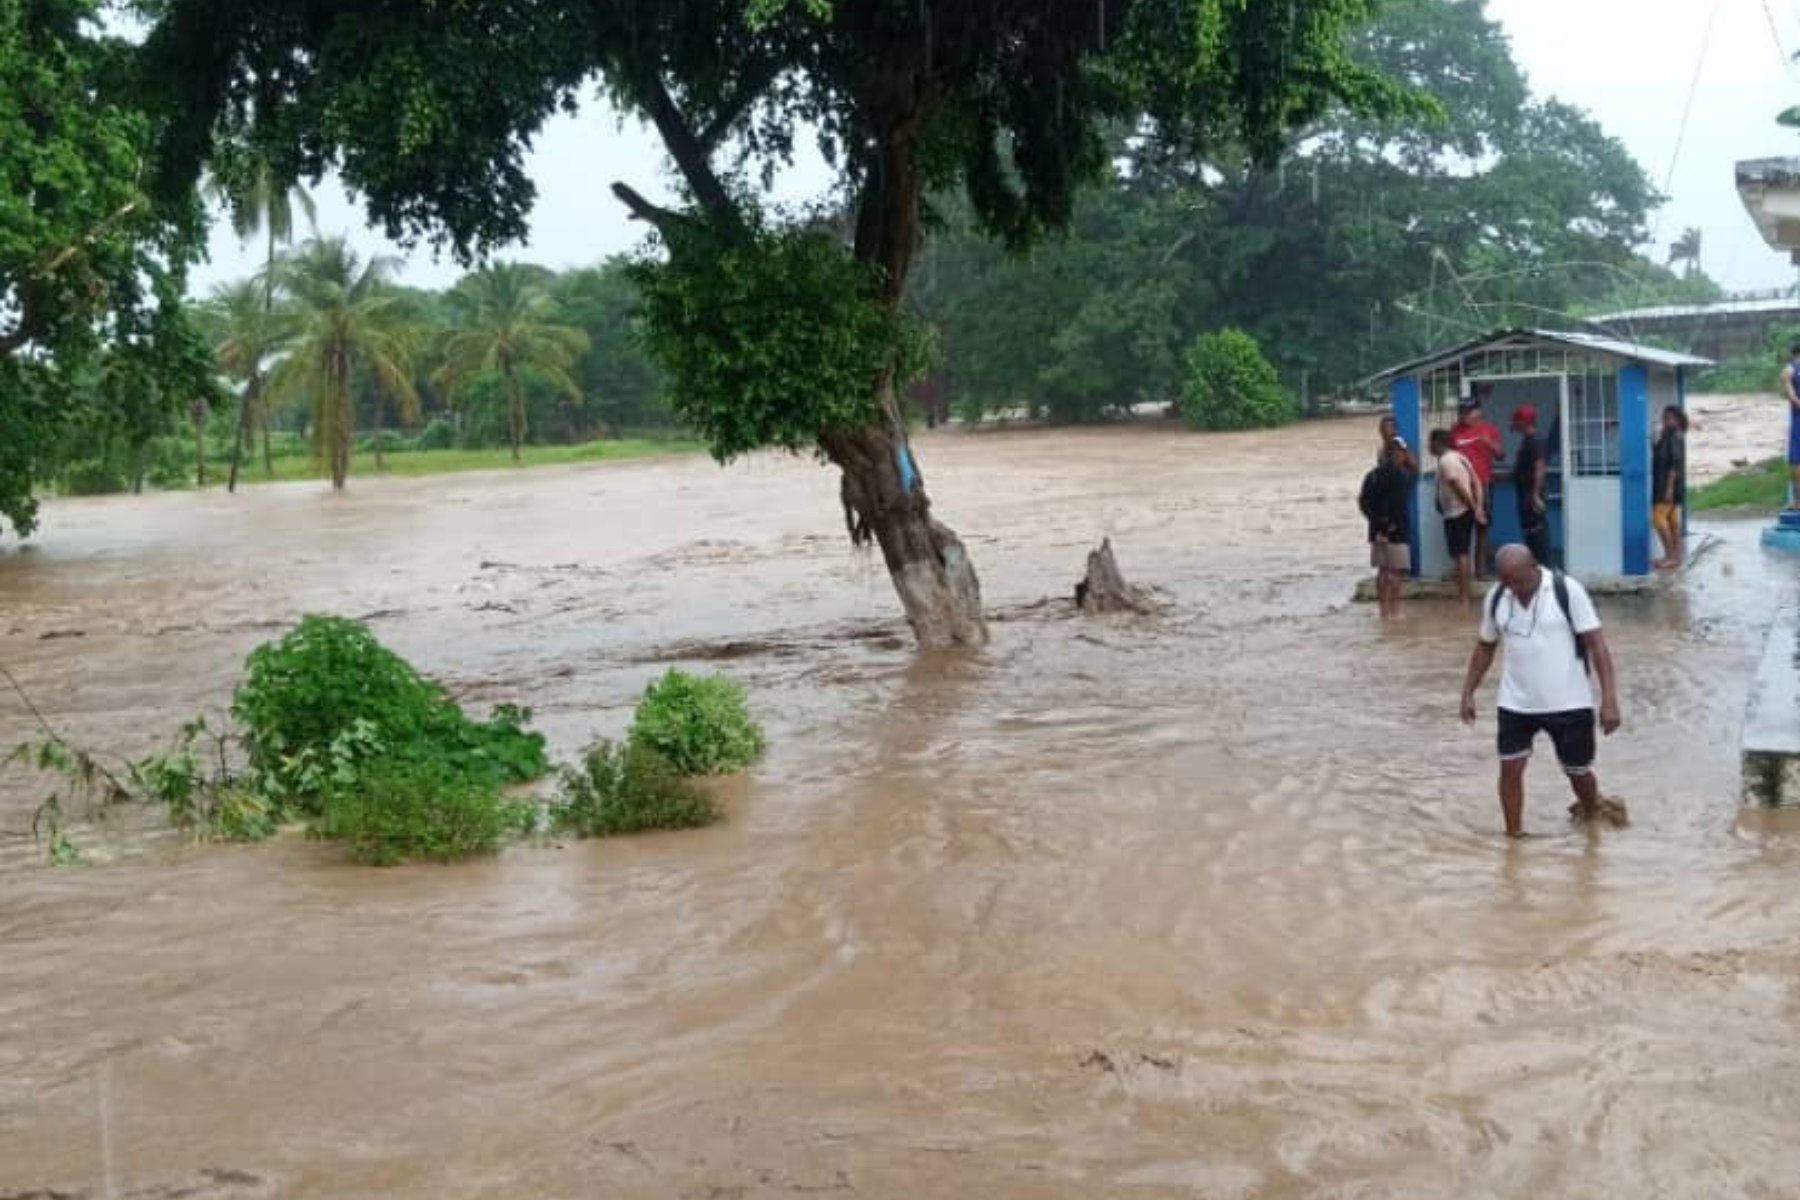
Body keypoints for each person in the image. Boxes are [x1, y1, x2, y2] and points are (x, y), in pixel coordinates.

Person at [1459, 545, 1624, 839]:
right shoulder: (1497, 596)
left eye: (1519, 581)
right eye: (1507, 581)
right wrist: (1468, 692)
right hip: (1515, 702)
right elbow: (1485, 646)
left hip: (1569, 702)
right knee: (1510, 769)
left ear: (1534, 567)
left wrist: (1609, 700)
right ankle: (1514, 838)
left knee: (1578, 772)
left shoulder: (1566, 590)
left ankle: (1593, 815)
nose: (1513, 588)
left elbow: (1597, 646)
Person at [1359, 435, 1413, 619]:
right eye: (1404, 452)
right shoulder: (1401, 475)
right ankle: (1395, 611)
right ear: (1396, 453)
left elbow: (1363, 503)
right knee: (1395, 572)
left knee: (1382, 571)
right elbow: (1398, 504)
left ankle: (1383, 611)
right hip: (1396, 530)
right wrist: (1390, 526)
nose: (1405, 456)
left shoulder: (1372, 475)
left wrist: (1377, 523)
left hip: (1376, 531)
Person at [1452, 391, 1505, 575]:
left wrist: (1488, 442)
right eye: (1461, 411)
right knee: (1462, 528)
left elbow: (1500, 455)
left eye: (1468, 411)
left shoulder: (1489, 429)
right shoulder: (1454, 431)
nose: (1464, 415)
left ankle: (1481, 572)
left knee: (1483, 528)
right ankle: (1463, 572)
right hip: (1459, 486)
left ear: (1477, 412)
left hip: (1483, 484)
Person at [1430, 428, 1484, 603]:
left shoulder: (1446, 461)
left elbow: (1456, 485)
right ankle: (1463, 594)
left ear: (1438, 443)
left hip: (1457, 512)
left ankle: (1464, 596)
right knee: (1460, 553)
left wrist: (1475, 508)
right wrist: (1477, 507)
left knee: (1461, 554)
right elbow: (1476, 483)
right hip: (1460, 511)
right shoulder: (1460, 457)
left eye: (1430, 442)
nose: (1428, 446)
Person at [1510, 405, 1550, 566]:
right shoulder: (1527, 440)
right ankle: (1535, 567)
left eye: (1517, 420)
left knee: (1536, 533)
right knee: (1529, 532)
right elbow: (1523, 469)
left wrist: (1535, 495)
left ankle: (1541, 570)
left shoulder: (1535, 441)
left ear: (1524, 421)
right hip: (1525, 493)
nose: (1514, 423)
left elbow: (1540, 468)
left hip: (1530, 495)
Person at [1652, 405, 1689, 570]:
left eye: (1669, 418)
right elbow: (1658, 454)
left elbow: (1674, 466)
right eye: (1664, 417)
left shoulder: (1674, 437)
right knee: (1673, 521)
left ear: (1677, 419)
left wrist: (1669, 489)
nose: (1666, 420)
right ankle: (1676, 555)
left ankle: (1670, 555)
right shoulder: (1668, 436)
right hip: (1668, 484)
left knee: (1658, 518)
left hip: (1668, 485)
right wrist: (1654, 441)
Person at [1782, 344, 1800, 511]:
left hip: (1798, 421)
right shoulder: (1791, 369)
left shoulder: (1789, 369)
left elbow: (1791, 397)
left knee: (1796, 460)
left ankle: (1797, 502)